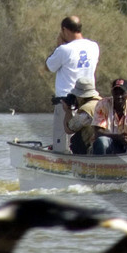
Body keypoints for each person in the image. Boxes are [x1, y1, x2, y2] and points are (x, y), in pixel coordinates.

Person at [43, 15, 99, 153]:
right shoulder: (94, 46)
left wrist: (59, 45)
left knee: (62, 143)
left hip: (66, 101)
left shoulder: (64, 49)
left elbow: (48, 66)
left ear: (65, 30)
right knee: (85, 139)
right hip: (88, 100)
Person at [64, 78, 111, 155]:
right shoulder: (103, 103)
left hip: (93, 149)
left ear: (80, 96)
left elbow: (69, 129)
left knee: (75, 140)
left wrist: (68, 111)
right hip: (108, 146)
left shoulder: (86, 111)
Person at [93, 78, 127, 152]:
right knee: (102, 141)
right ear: (112, 93)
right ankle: (100, 163)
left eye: (122, 93)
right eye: (116, 93)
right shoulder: (102, 104)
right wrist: (118, 137)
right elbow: (98, 133)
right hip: (110, 143)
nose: (119, 96)